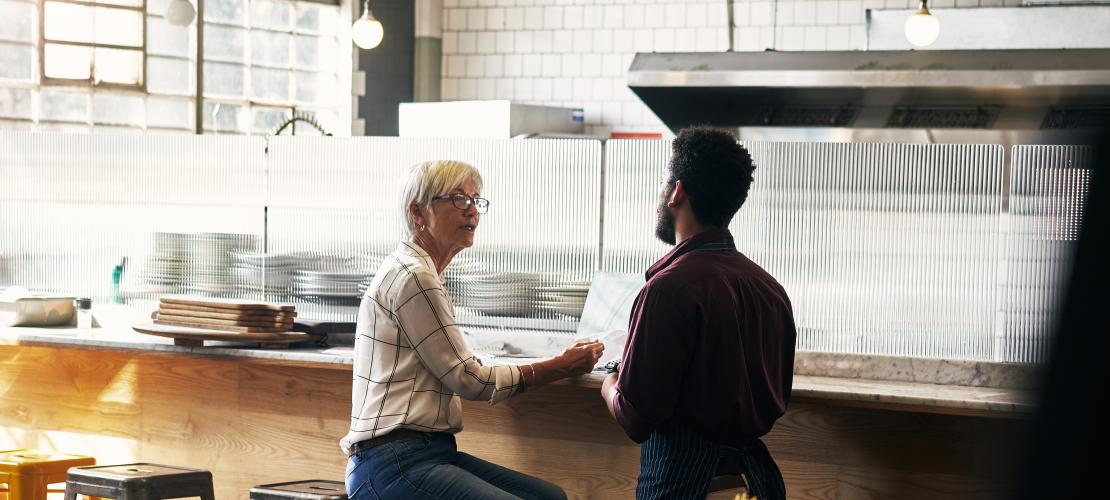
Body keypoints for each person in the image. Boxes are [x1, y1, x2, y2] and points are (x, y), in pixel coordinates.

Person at [342, 160, 604, 500]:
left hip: (427, 453)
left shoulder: (420, 271)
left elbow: (453, 364)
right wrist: (561, 364)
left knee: (549, 496)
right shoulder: (415, 277)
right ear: (417, 212)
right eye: (457, 199)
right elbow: (471, 380)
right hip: (393, 463)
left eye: (475, 200)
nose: (472, 212)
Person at [600, 127, 796, 499]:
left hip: (684, 483)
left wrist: (610, 382)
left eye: (663, 181)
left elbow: (636, 416)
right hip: (758, 480)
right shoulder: (770, 288)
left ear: (677, 192)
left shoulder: (669, 287)